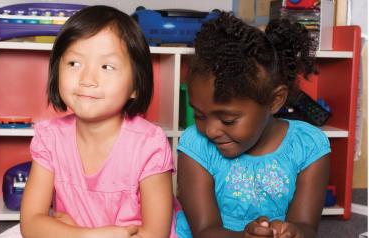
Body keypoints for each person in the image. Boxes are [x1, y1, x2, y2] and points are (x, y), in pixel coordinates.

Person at [20, 5, 177, 238]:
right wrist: (87, 236)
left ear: (136, 84)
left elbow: (155, 233)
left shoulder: (149, 144)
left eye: (107, 67)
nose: (87, 79)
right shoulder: (50, 137)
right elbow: (31, 224)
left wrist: (60, 230)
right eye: (74, 64)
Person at [175, 11, 330, 238]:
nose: (210, 130)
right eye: (199, 115)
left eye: (228, 120)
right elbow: (205, 230)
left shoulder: (308, 147)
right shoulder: (195, 145)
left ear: (275, 100)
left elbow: (307, 226)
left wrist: (292, 232)